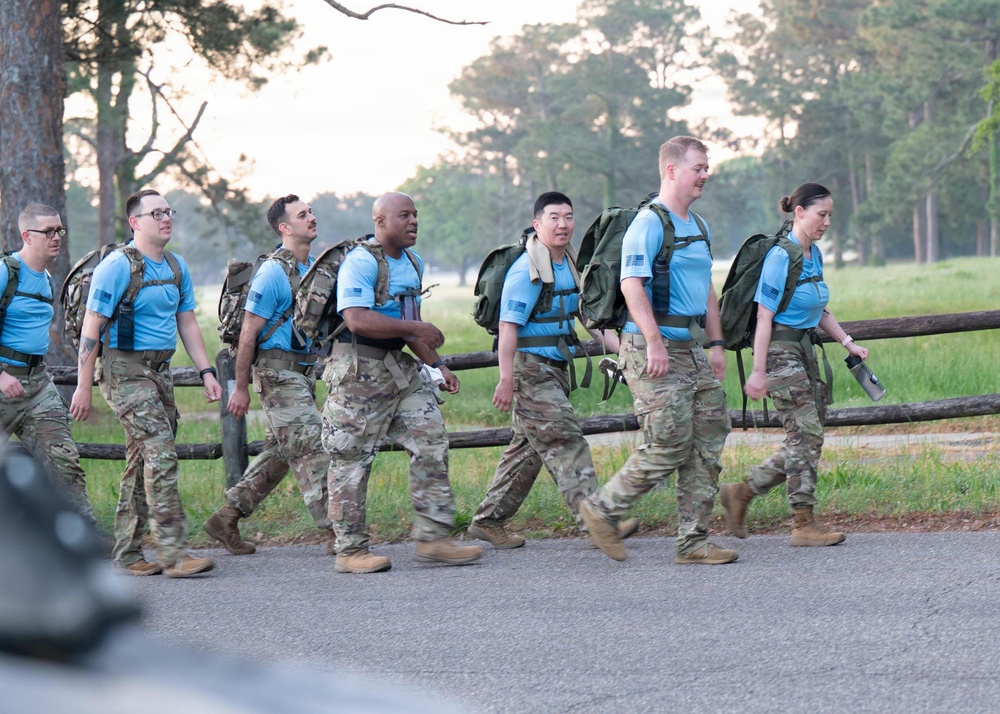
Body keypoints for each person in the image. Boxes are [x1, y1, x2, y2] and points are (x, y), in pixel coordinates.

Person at [580, 136, 737, 565]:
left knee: (709, 434)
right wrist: (653, 341)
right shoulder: (649, 223)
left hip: (691, 346)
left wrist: (717, 343)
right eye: (698, 167)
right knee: (667, 441)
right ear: (671, 170)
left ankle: (693, 542)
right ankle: (600, 510)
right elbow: (632, 283)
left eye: (707, 167)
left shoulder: (698, 226)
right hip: (652, 346)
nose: (706, 174)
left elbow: (705, 287)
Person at [466, 191, 639, 549]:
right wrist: (505, 378)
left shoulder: (568, 264)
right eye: (554, 218)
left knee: (527, 451)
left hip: (555, 370)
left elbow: (589, 319)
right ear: (537, 224)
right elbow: (508, 327)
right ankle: (597, 520)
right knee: (565, 438)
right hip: (530, 370)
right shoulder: (526, 270)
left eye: (568, 217)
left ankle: (488, 520)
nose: (563, 225)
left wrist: (624, 352)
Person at [322, 192, 482, 573]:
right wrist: (416, 328)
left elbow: (411, 324)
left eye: (416, 215)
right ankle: (350, 551)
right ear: (380, 221)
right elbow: (357, 318)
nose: (414, 222)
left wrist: (436, 365)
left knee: (431, 440)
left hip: (399, 369)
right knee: (350, 459)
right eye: (404, 215)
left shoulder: (413, 261)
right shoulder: (360, 262)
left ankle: (434, 538)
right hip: (358, 370)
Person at [70, 188, 223, 578]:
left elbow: (186, 321)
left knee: (142, 461)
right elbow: (92, 326)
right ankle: (174, 553)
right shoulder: (118, 265)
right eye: (156, 213)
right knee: (161, 452)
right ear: (135, 222)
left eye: (168, 211)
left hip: (160, 372)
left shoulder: (175, 265)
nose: (165, 218)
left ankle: (127, 552)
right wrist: (83, 386)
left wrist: (206, 372)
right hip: (123, 370)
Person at [720, 183, 866, 546]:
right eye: (821, 214)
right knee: (806, 433)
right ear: (799, 212)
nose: (827, 222)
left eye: (830, 215)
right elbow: (765, 317)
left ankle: (742, 492)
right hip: (778, 353)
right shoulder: (780, 256)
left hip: (803, 349)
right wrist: (757, 372)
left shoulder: (812, 254)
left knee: (807, 435)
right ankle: (803, 523)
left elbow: (819, 308)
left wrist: (847, 342)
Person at [203, 194, 333, 555]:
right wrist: (240, 388)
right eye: (303, 214)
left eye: (311, 212)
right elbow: (248, 333)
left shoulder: (310, 269)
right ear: (284, 227)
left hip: (302, 373)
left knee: (279, 454)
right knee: (311, 446)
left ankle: (226, 517)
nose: (312, 217)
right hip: (277, 374)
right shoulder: (274, 271)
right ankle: (338, 532)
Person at [0, 204, 95, 525]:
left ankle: (83, 538)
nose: (57, 237)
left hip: (38, 384)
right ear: (27, 235)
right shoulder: (5, 272)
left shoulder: (48, 279)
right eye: (48, 231)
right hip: (3, 382)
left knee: (63, 461)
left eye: (59, 230)